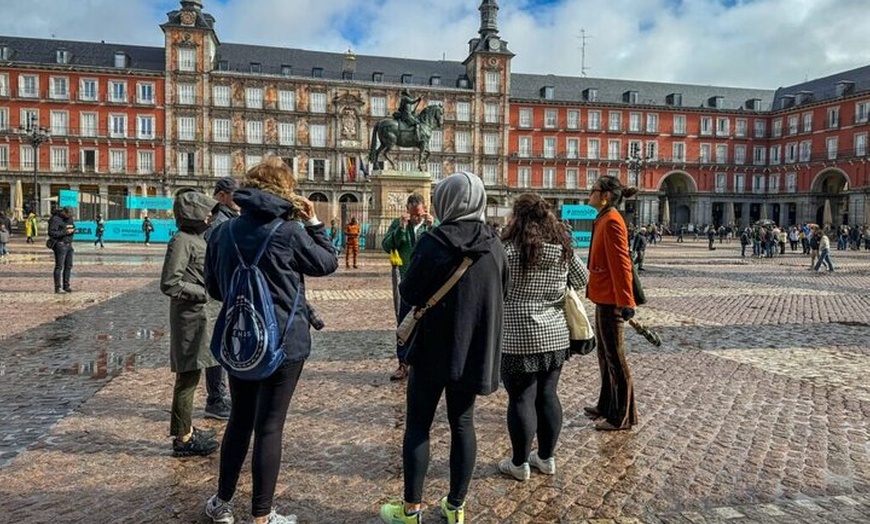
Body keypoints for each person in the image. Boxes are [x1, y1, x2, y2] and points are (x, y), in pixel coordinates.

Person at [203, 156, 337, 524]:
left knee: (239, 420)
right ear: (285, 192)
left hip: (243, 340)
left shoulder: (222, 232)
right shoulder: (290, 232)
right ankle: (262, 516)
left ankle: (222, 503)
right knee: (270, 426)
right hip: (286, 343)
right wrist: (313, 222)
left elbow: (214, 289)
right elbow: (327, 263)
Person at [379, 171, 508, 524]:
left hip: (431, 349)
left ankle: (411, 510)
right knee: (463, 423)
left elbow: (409, 292)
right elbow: (504, 292)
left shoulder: (434, 242)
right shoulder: (494, 245)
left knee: (418, 425)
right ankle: (455, 506)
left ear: (445, 202)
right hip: (473, 351)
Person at [496, 194, 588, 483]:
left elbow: (494, 285)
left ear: (517, 217)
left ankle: (519, 463)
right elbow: (583, 279)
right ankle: (546, 459)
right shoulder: (562, 249)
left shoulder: (508, 250)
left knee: (521, 398)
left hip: (516, 336)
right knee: (548, 395)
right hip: (555, 335)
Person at [160, 190, 222, 458]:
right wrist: (203, 293)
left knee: (192, 375)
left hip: (201, 316)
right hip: (190, 318)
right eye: (205, 212)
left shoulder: (195, 239)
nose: (210, 216)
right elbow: (170, 283)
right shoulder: (182, 241)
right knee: (187, 377)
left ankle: (184, 428)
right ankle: (183, 438)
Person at [584, 175, 638, 431]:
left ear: (605, 195)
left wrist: (626, 301)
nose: (590, 193)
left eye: (593, 189)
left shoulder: (613, 221)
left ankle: (622, 416)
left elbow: (622, 264)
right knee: (605, 356)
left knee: (616, 357)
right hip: (602, 295)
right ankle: (606, 405)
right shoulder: (604, 217)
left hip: (612, 299)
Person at [382, 194, 435, 381]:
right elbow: (387, 245)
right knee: (404, 323)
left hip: (428, 284)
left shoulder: (431, 226)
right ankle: (403, 363)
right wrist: (401, 230)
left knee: (428, 324)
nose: (416, 218)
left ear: (425, 209)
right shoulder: (398, 225)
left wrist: (434, 227)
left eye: (419, 214)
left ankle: (425, 365)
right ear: (407, 210)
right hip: (405, 281)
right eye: (413, 214)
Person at [202, 176, 241, 421]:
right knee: (217, 346)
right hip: (218, 294)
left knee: (226, 344)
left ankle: (221, 396)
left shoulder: (229, 219)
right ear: (221, 196)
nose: (240, 199)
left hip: (226, 291)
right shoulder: (219, 223)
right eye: (235, 194)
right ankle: (215, 399)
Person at [48, 207, 76, 294]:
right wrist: (65, 232)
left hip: (69, 244)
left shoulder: (70, 219)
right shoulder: (55, 219)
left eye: (71, 215)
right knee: (59, 266)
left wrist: (72, 232)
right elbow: (51, 233)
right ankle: (57, 287)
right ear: (64, 212)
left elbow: (72, 228)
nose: (70, 217)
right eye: (68, 215)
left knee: (69, 266)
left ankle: (66, 286)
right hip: (60, 244)